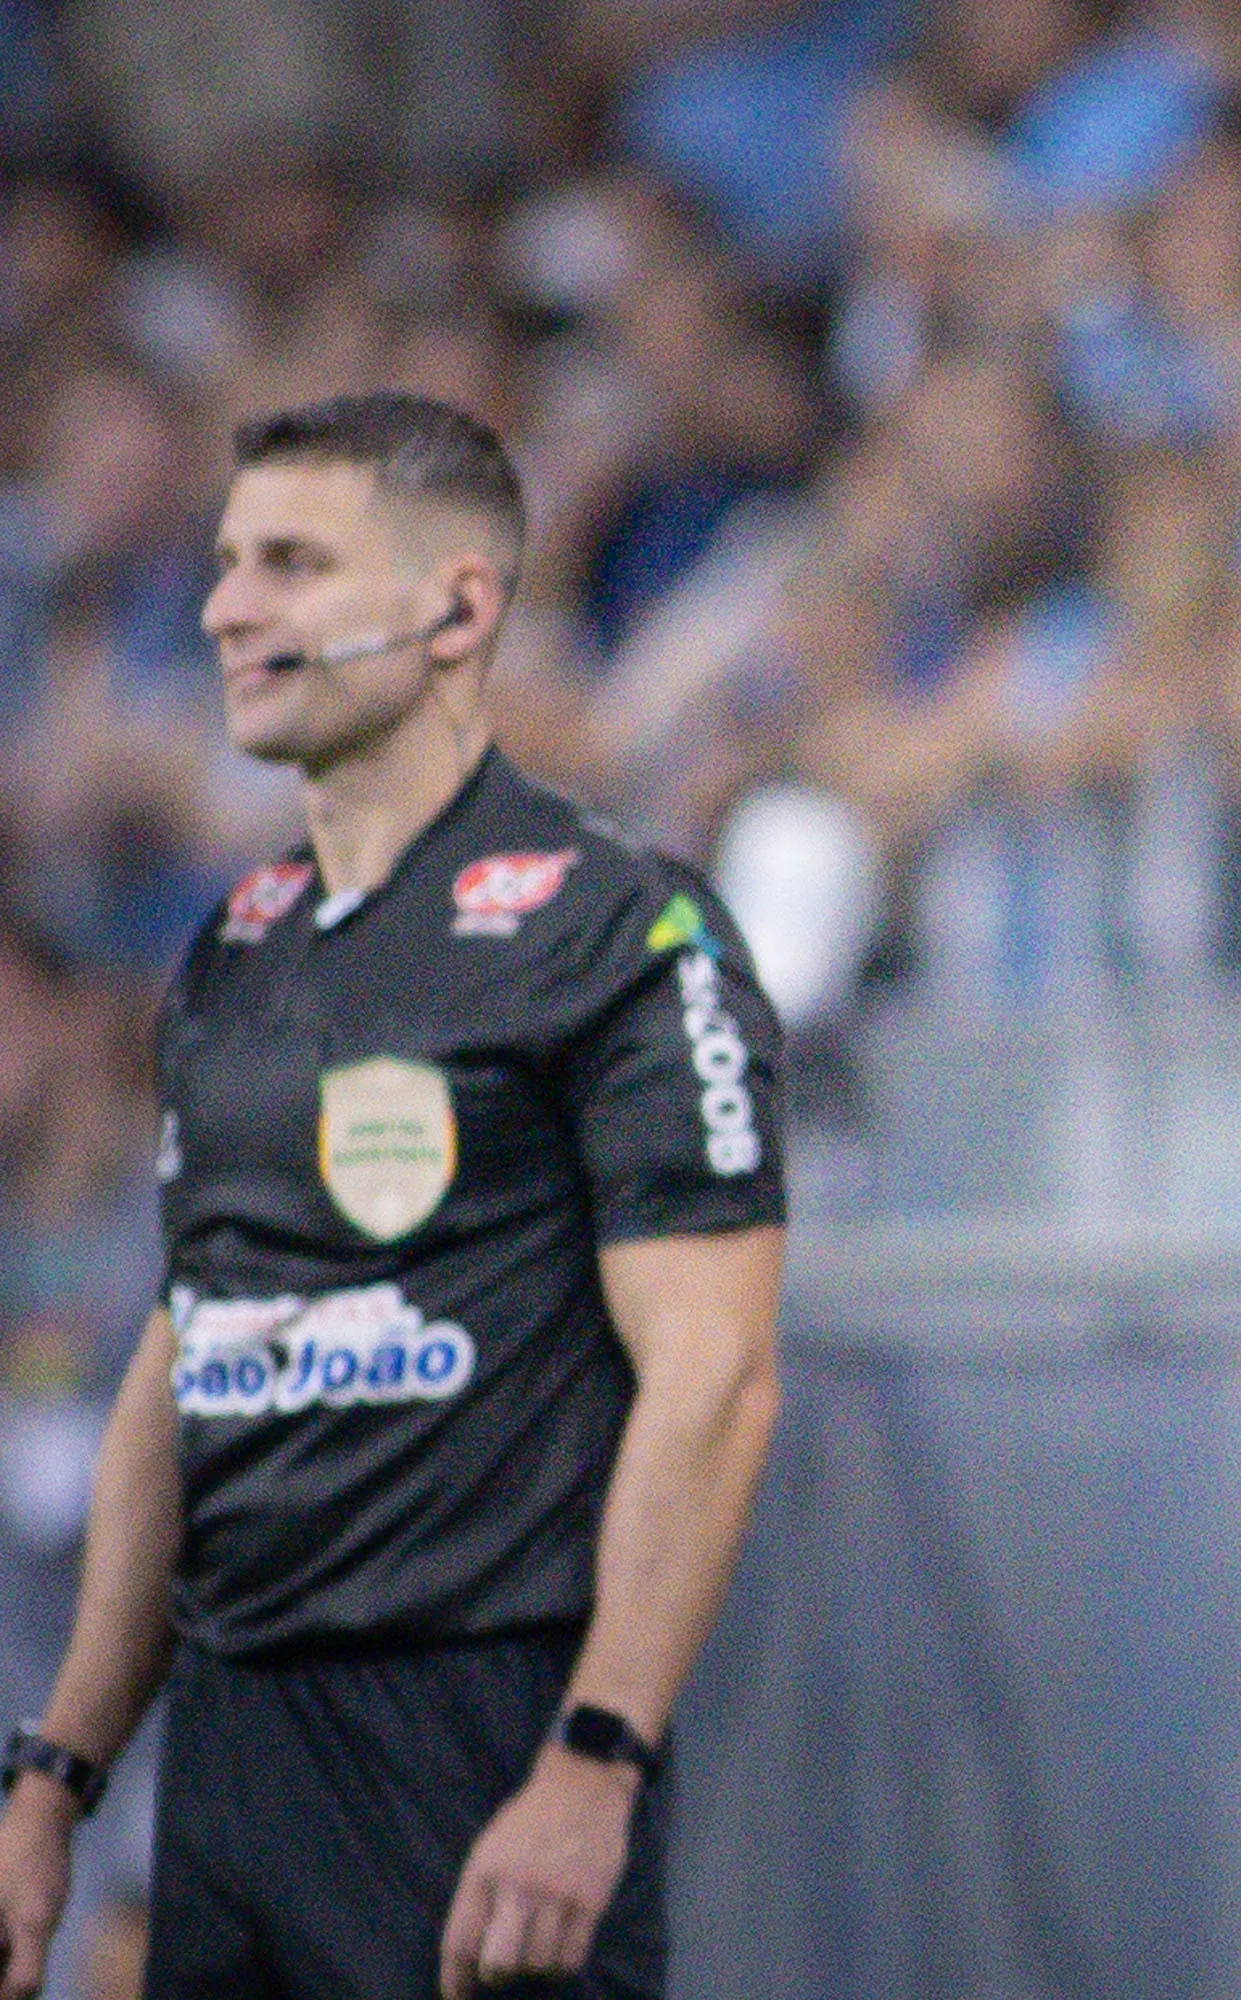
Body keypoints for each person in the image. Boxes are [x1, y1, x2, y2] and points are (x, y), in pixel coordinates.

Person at [0, 391, 788, 2000]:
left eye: (293, 564)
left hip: (482, 1753)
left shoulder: (618, 932)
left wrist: (595, 1757)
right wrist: (60, 1767)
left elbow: (713, 1379)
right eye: (227, 565)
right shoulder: (236, 946)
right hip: (227, 1761)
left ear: (457, 608)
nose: (227, 608)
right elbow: (188, 1347)